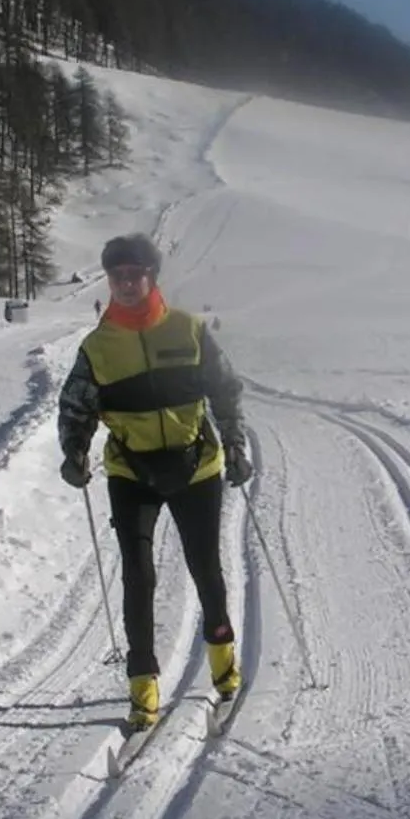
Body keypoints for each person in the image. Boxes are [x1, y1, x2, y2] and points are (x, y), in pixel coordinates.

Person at [57, 233, 249, 730]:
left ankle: (225, 669)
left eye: (134, 273)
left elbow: (225, 389)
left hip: (195, 466)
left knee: (206, 567)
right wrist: (74, 451)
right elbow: (76, 406)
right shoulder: (97, 347)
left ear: (152, 277)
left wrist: (235, 444)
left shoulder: (188, 331)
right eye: (116, 275)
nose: (124, 283)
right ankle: (143, 691)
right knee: (138, 576)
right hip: (131, 470)